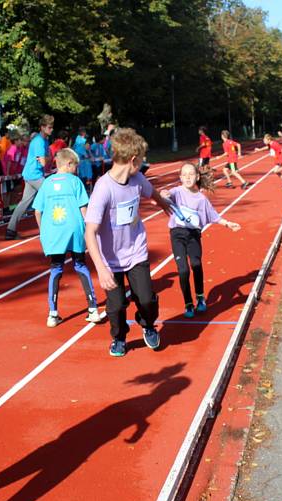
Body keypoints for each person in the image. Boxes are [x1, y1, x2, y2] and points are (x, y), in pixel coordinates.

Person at [84, 128, 173, 357]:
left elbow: (152, 193)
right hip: (110, 259)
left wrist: (166, 206)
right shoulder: (103, 189)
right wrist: (101, 269)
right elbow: (90, 232)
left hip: (136, 251)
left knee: (146, 298)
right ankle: (120, 337)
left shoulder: (137, 179)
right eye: (142, 159)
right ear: (133, 160)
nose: (144, 163)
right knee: (115, 307)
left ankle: (147, 324)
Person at [32, 148, 100, 327]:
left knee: (56, 268)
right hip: (74, 230)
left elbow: (38, 210)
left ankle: (52, 314)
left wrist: (43, 230)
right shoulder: (75, 182)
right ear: (69, 164)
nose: (77, 169)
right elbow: (83, 208)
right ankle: (93, 308)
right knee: (80, 264)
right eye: (76, 165)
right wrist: (90, 230)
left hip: (53, 231)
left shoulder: (46, 183)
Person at [161, 163, 240, 317]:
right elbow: (166, 194)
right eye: (184, 174)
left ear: (197, 177)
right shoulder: (177, 192)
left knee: (196, 264)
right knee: (183, 270)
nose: (188, 177)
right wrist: (164, 193)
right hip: (177, 234)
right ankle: (188, 303)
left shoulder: (201, 199)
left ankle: (200, 297)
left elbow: (214, 216)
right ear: (180, 178)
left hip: (193, 235)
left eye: (191, 174)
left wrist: (228, 224)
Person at [6, 114, 54, 240]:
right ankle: (49, 229)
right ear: (42, 127)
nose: (51, 129)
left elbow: (46, 158)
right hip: (34, 175)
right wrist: (48, 158)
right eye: (49, 127)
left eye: (52, 127)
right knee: (52, 196)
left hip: (32, 174)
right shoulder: (38, 141)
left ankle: (10, 231)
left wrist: (47, 158)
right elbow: (44, 161)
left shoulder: (44, 140)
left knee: (24, 203)